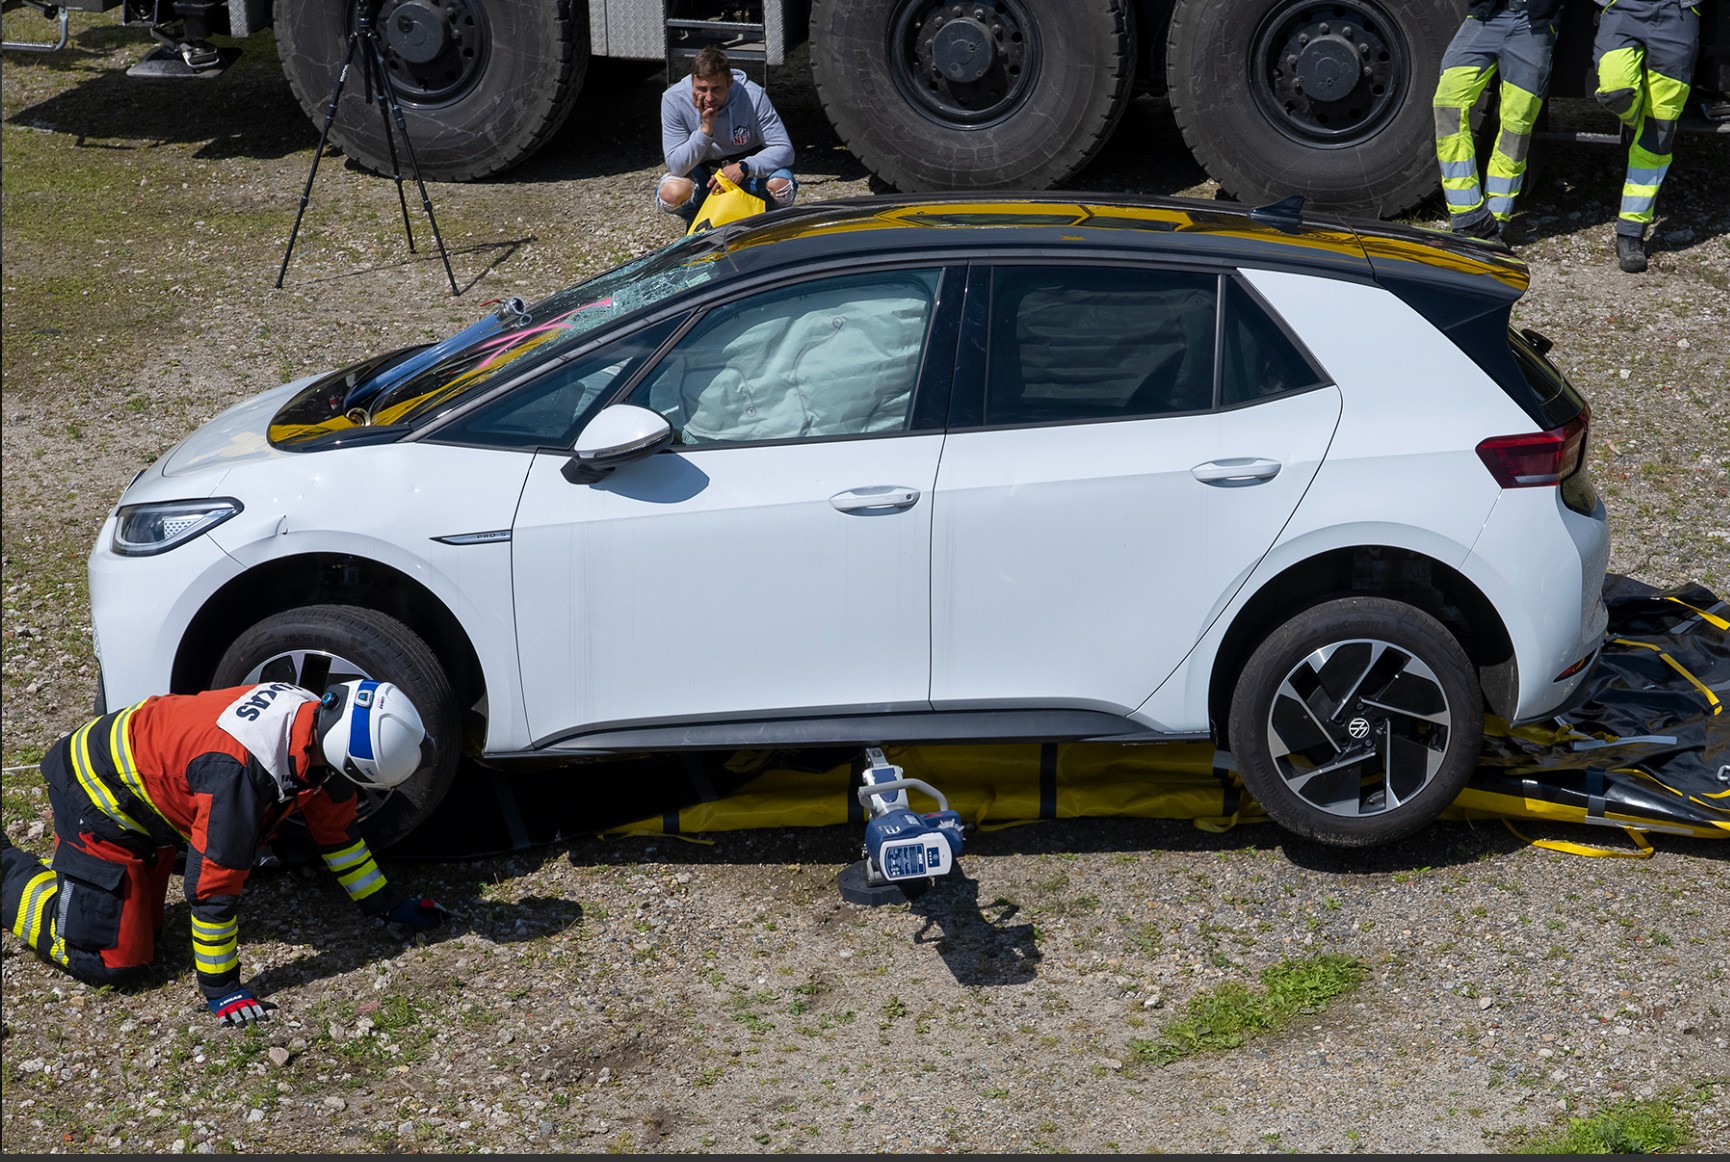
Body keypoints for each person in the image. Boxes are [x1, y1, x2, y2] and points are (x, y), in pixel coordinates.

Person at [1, 679, 448, 1027]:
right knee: (118, 962)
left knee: (150, 927)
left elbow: (340, 838)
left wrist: (387, 907)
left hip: (149, 792)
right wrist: (221, 988)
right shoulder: (237, 776)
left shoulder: (318, 724)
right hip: (96, 794)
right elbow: (211, 889)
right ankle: (9, 871)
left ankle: (113, 879)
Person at [1433, 0, 1568, 243]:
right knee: (1447, 104)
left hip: (1533, 24)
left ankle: (1495, 222)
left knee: (1516, 128)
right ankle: (1467, 215)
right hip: (1485, 16)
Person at [1592, 0, 1703, 272]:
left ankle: (1630, 233)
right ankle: (1636, 123)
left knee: (1659, 129)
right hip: (1621, 7)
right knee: (1614, 90)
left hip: (1679, 11)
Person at [657, 45, 796, 229]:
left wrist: (745, 167)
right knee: (670, 195)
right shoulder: (673, 99)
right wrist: (705, 131)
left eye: (716, 89)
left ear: (730, 82)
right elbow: (676, 165)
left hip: (747, 167)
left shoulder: (753, 95)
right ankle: (700, 221)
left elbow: (785, 149)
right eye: (702, 88)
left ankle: (767, 222)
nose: (708, 97)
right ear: (692, 81)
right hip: (703, 172)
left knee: (782, 187)